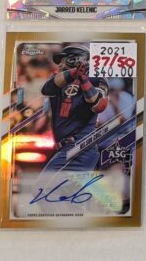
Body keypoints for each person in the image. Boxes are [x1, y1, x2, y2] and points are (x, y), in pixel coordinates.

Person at [39, 45, 109, 173]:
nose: (59, 65)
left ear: (74, 60)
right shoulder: (58, 79)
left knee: (45, 183)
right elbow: (47, 89)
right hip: (64, 148)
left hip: (81, 146)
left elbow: (98, 105)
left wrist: (84, 80)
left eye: (63, 60)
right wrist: (74, 73)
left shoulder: (96, 79)